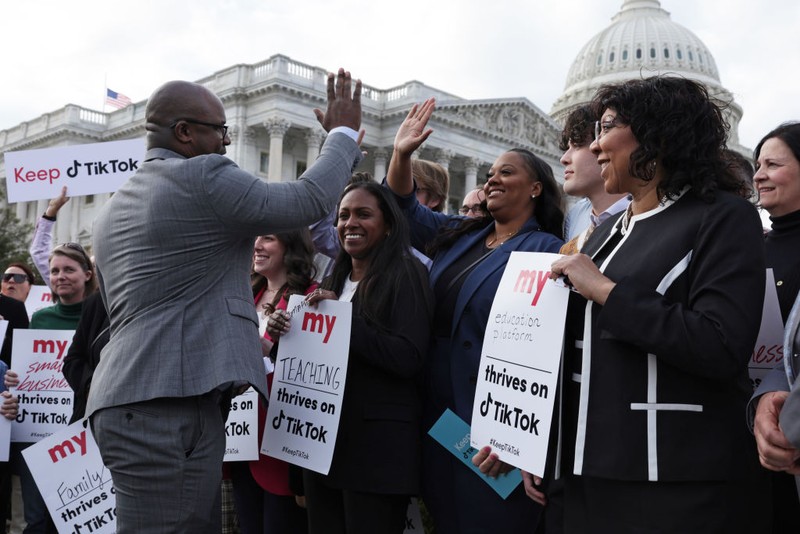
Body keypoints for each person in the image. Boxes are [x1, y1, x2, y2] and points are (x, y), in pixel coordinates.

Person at [85, 69, 363, 533]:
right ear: (185, 133)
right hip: (168, 407)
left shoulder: (116, 204)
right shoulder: (201, 176)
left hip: (131, 400)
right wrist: (342, 134)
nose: (227, 144)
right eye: (221, 132)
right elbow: (308, 199)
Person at [549, 76, 766, 532]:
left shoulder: (723, 217)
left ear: (657, 134)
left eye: (607, 128)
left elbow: (720, 343)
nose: (596, 145)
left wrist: (606, 290)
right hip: (585, 472)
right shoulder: (608, 231)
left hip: (672, 480)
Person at [385, 97, 564, 533]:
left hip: (490, 415)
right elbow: (404, 206)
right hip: (439, 409)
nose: (492, 180)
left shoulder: (545, 251)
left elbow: (538, 350)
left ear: (536, 187)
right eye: (489, 175)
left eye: (506, 172)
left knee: (489, 514)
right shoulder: (460, 235)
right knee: (447, 511)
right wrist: (401, 153)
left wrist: (515, 438)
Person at [267, 182, 434, 534]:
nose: (349, 223)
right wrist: (286, 333)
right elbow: (308, 367)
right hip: (320, 451)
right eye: (343, 216)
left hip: (375, 456)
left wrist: (342, 321)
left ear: (388, 224)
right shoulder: (334, 277)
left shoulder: (406, 274)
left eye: (363, 214)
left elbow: (408, 357)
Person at [228, 229, 318, 534]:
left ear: (289, 246)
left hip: (284, 446)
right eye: (254, 237)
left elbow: (314, 371)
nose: (256, 244)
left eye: (267, 238)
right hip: (241, 442)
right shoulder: (243, 294)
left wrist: (270, 350)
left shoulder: (311, 297)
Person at [8, 242, 96, 534]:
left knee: (77, 516)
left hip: (83, 433)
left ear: (87, 274)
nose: (60, 276)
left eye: (69, 270)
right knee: (37, 520)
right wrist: (13, 380)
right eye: (55, 270)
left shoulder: (102, 315)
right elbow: (28, 370)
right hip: (35, 436)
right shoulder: (41, 318)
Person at [748, 122, 800, 531]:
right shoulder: (752, 247)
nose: (759, 174)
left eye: (773, 164)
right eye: (757, 164)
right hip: (752, 427)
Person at [557, 105, 629, 255]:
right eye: (566, 148)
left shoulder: (648, 213)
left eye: (577, 145)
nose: (564, 159)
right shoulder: (575, 215)